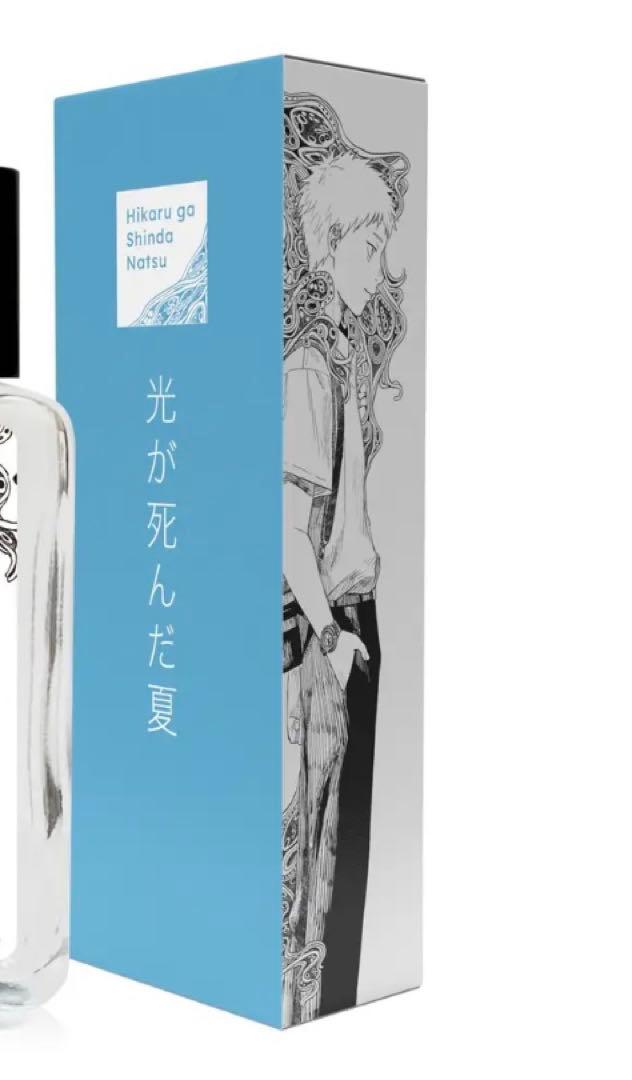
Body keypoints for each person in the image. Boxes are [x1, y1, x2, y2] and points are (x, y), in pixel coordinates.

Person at [282, 151, 401, 1018]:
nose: (380, 267)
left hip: (353, 620)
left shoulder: (342, 357)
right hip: (330, 629)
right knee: (318, 852)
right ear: (329, 249)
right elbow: (290, 531)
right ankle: (309, 1012)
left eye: (383, 247)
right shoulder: (310, 366)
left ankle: (333, 1013)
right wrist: (331, 637)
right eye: (367, 247)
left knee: (345, 843)